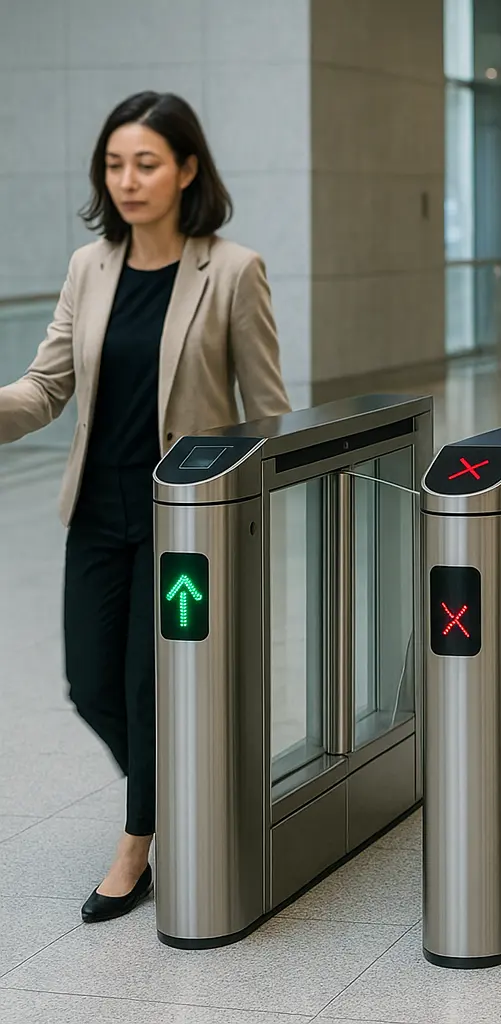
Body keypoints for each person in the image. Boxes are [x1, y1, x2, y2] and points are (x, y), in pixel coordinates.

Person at [0, 92, 290, 921]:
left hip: (184, 522)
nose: (127, 181)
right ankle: (186, 793)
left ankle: (137, 847)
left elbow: (267, 412)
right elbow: (46, 386)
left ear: (187, 169)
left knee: (146, 686)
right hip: (96, 509)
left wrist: (245, 513)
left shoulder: (233, 270)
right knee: (88, 683)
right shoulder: (89, 267)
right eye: (115, 164)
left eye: (147, 164)